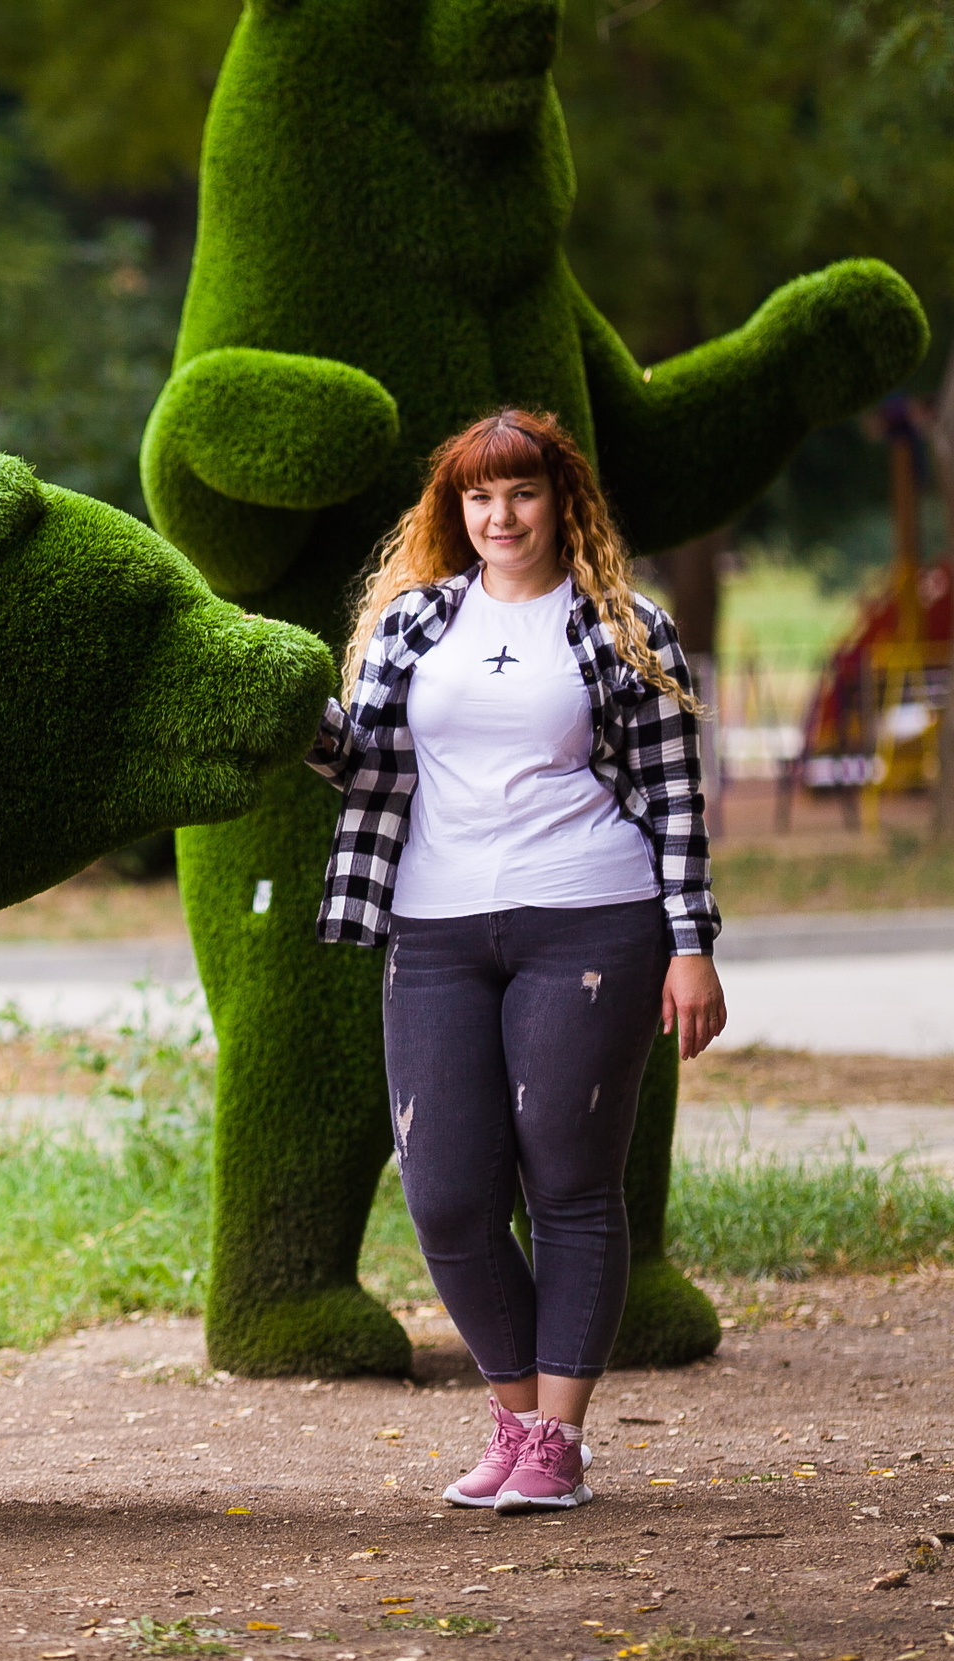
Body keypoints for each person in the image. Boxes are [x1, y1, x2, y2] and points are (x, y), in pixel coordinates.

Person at [307, 408, 728, 1515]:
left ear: (562, 502)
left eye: (522, 493)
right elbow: (358, 762)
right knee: (445, 1194)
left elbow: (676, 801)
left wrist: (691, 947)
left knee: (568, 1179)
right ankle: (513, 1413)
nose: (501, 516)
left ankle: (556, 1436)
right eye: (478, 497)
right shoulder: (413, 623)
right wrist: (290, 709)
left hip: (592, 917)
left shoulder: (624, 628)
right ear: (455, 511)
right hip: (434, 927)